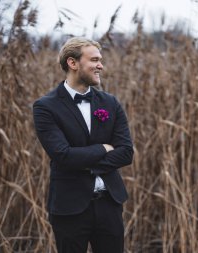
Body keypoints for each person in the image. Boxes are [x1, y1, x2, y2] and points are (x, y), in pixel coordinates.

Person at [33, 37, 133, 253]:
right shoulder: (45, 107)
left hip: (109, 204)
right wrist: (104, 149)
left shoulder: (110, 103)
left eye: (101, 60)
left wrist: (87, 162)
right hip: (69, 207)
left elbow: (126, 153)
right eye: (94, 60)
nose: (101, 65)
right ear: (73, 63)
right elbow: (63, 156)